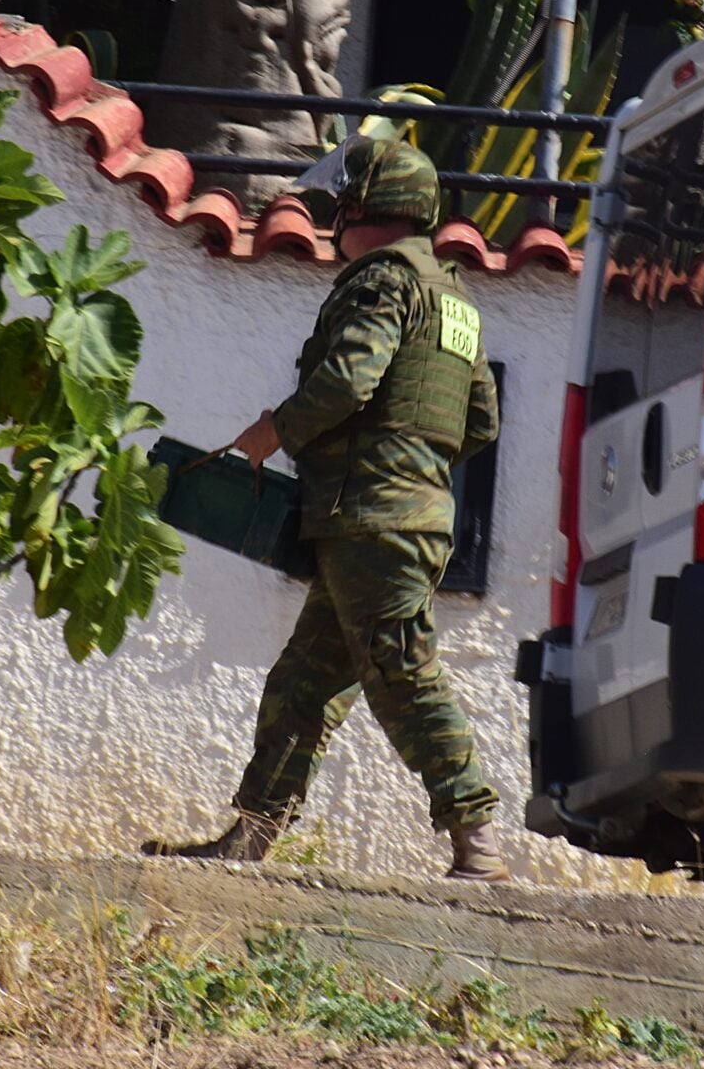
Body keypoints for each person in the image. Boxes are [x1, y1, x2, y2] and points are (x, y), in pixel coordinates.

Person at [144, 137, 510, 881]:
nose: (333, 216)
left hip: (372, 521)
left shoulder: (381, 281)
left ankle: (477, 841)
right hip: (399, 519)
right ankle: (251, 837)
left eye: (343, 203)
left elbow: (348, 380)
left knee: (401, 672)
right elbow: (481, 423)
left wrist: (275, 431)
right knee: (303, 685)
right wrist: (411, 466)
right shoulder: (455, 299)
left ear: (366, 209)